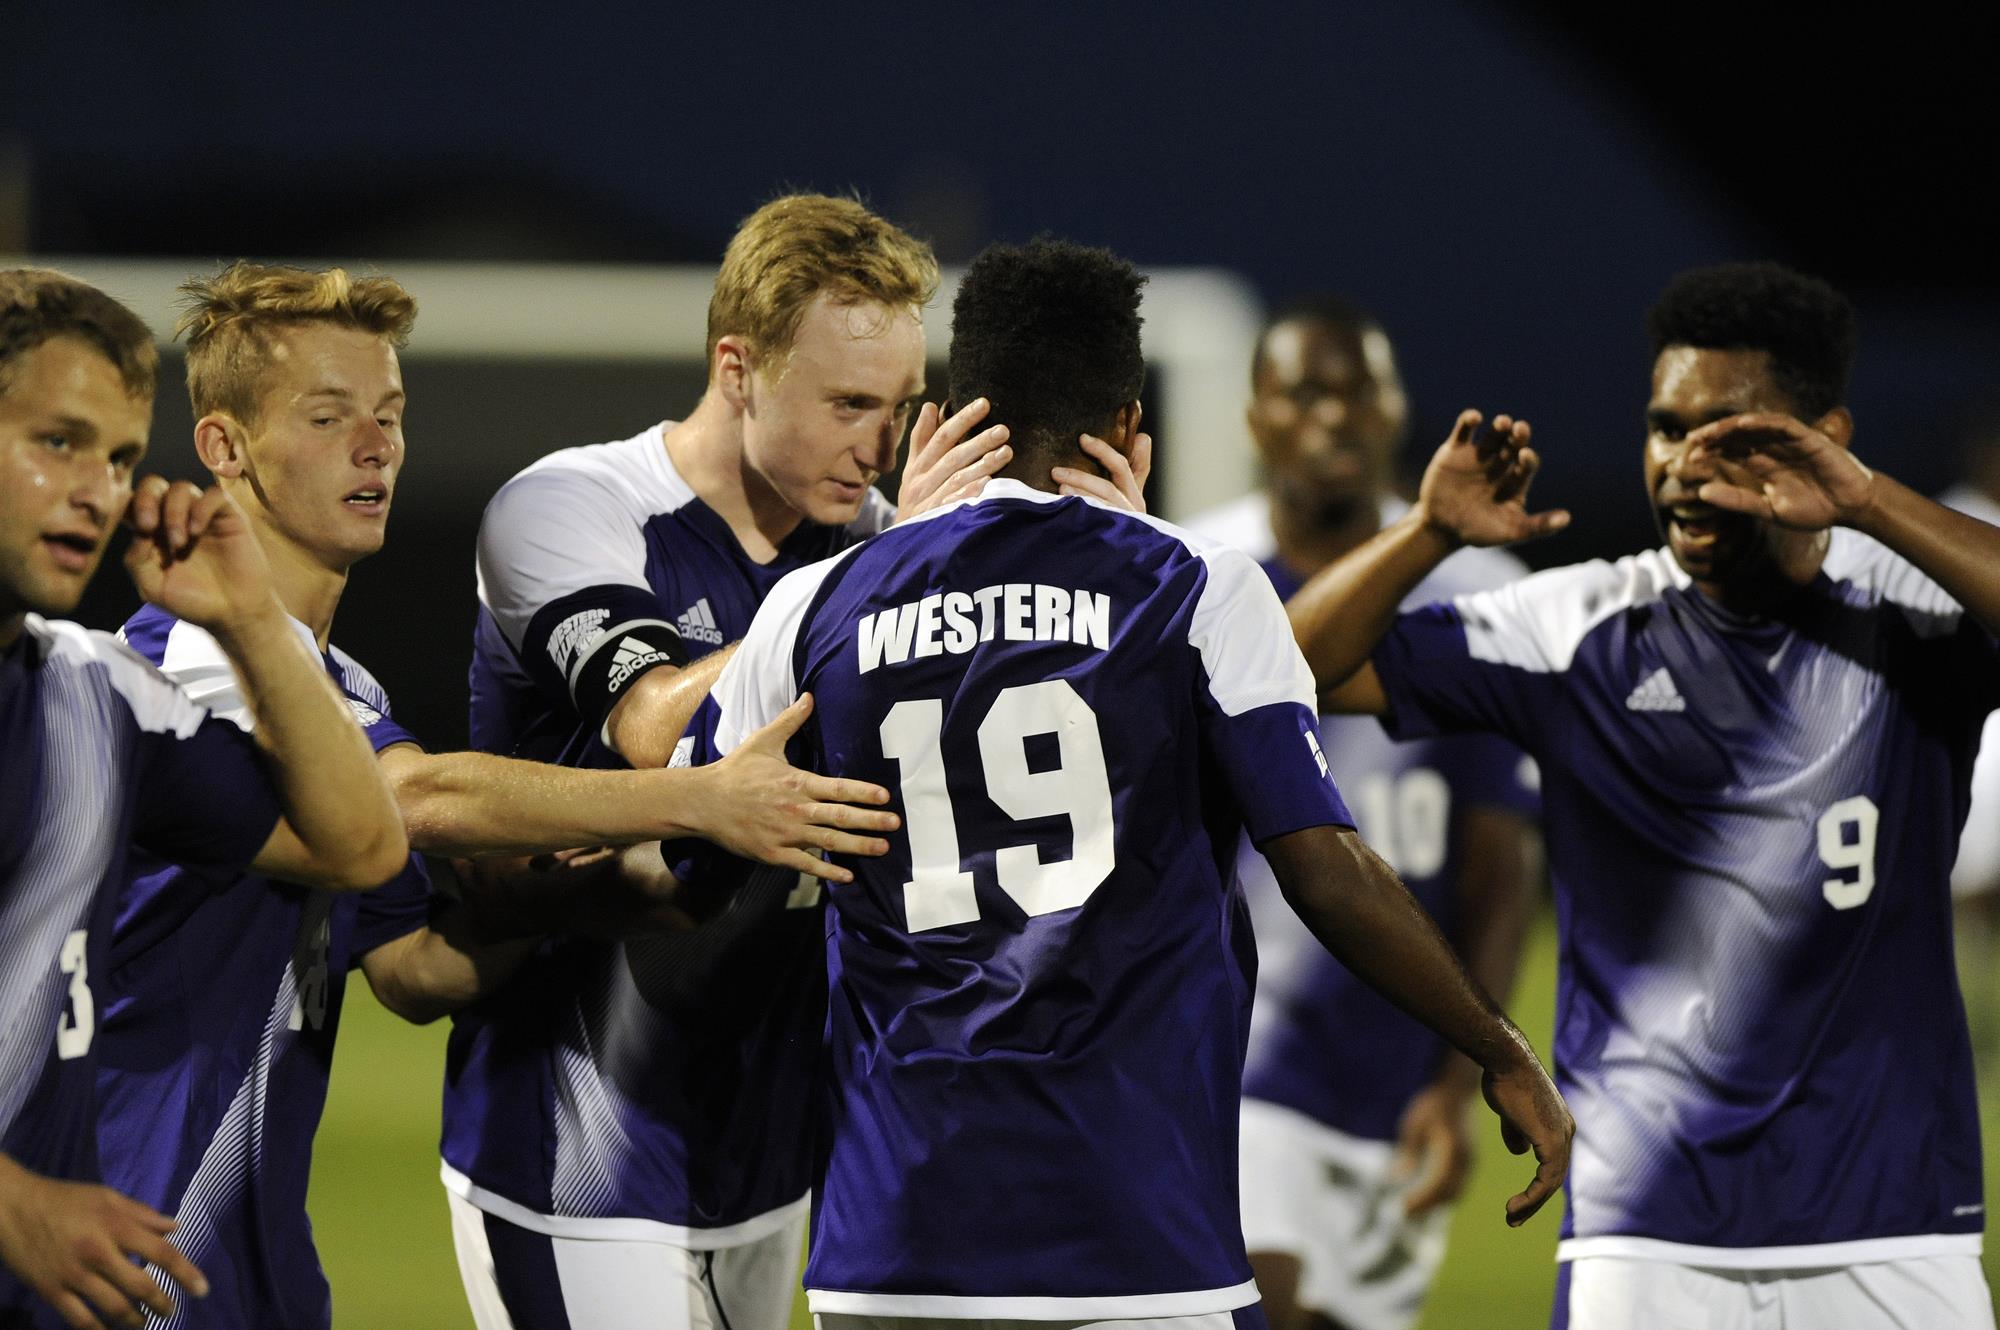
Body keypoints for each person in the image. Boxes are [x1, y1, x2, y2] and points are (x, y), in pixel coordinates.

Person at [704, 237, 1571, 1329]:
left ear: (937, 420)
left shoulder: (812, 607)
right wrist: (1496, 1046)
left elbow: (699, 844)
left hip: (891, 1233)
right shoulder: (1191, 584)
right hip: (1133, 1231)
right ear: (1125, 427)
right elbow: (1319, 863)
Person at [85, 260, 903, 1330]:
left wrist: (564, 895)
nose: (375, 446)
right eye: (329, 417)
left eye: (388, 414)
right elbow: (410, 798)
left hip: (256, 1260)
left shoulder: (342, 687)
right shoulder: (183, 665)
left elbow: (413, 973)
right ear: (224, 448)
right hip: (118, 1241)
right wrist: (694, 802)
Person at [444, 194, 1147, 1330]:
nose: (880, 444)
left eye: (902, 406)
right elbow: (658, 726)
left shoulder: (880, 542)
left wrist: (1110, 577)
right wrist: (900, 564)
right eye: (848, 403)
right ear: (737, 366)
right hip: (582, 1143)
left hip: (779, 1143)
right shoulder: (573, 507)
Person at [1285, 260, 2000, 1329]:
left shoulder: (1907, 609)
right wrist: (1425, 535)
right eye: (1665, 428)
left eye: (1729, 435)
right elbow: (1290, 672)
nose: (1682, 466)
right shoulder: (1576, 628)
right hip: (1646, 1228)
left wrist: (1865, 500)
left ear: (1822, 435)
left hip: (1888, 1217)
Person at [0, 271, 408, 1330]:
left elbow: (359, 843)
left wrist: (253, 619)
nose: (97, 489)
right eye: (57, 443)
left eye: (121, 457)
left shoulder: (95, 697)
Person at [1185, 297, 1540, 1330]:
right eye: (1303, 392)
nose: (1332, 415)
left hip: (1395, 1063)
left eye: (1356, 390)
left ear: (1396, 410)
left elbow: (1496, 859)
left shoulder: (1478, 587)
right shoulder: (1197, 577)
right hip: (1243, 1061)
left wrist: (1461, 1066)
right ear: (1254, 419)